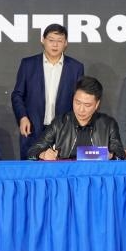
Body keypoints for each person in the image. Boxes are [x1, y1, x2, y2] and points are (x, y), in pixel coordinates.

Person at [10, 23, 85, 159]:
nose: (55, 45)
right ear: (42, 40)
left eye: (59, 41)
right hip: (32, 129)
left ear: (66, 43)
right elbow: (17, 95)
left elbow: (79, 99)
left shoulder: (76, 67)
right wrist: (22, 117)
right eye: (51, 40)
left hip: (63, 131)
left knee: (62, 170)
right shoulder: (28, 64)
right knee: (31, 169)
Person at [27, 76, 125, 160]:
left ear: (97, 104)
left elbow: (120, 155)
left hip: (97, 173)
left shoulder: (108, 125)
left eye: (87, 105)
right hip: (65, 174)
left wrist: (110, 155)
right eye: (77, 103)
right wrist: (43, 154)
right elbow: (32, 151)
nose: (81, 110)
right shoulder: (60, 123)